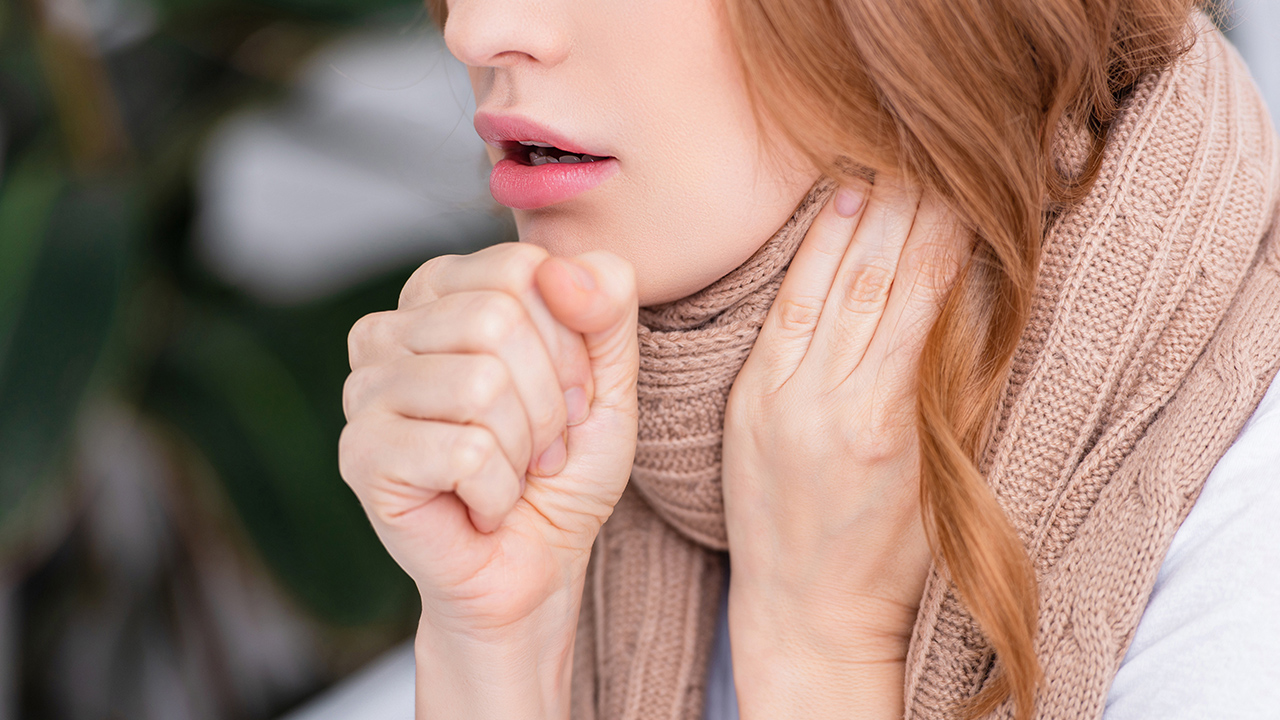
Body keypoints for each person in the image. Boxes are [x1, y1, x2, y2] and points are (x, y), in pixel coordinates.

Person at [336, 0, 1280, 717]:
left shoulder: (1250, 557)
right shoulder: (587, 477)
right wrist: (497, 650)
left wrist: (820, 656)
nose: (477, 29)